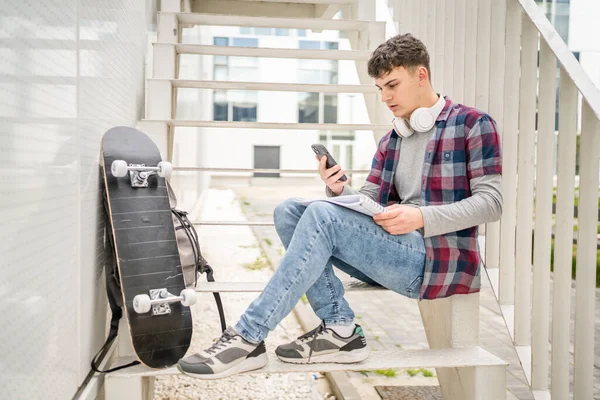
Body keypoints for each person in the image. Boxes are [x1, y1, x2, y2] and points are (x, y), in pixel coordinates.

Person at [176, 33, 503, 379]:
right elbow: (371, 203)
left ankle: (247, 336)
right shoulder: (393, 138)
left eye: (392, 84)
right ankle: (340, 329)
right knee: (288, 210)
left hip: (436, 260)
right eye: (380, 88)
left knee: (321, 216)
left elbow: (491, 203)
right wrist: (339, 190)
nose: (385, 97)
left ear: (421, 75)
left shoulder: (472, 125)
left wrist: (420, 216)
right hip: (394, 251)